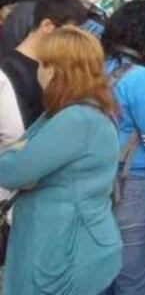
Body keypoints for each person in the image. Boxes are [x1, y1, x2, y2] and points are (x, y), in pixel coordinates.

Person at [0, 26, 122, 294]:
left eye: (43, 64)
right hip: (64, 246)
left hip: (66, 253)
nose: (38, 71)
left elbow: (11, 170)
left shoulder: (75, 119)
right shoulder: (77, 113)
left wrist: (17, 155)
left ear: (58, 69)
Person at [103, 0, 145, 295]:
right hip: (133, 182)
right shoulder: (141, 78)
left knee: (99, 272)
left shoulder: (98, 69)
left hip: (95, 180)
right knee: (134, 276)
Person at [1, 0, 88, 131]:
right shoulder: (9, 71)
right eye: (69, 34)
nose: (73, 42)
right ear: (47, 26)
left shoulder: (59, 66)